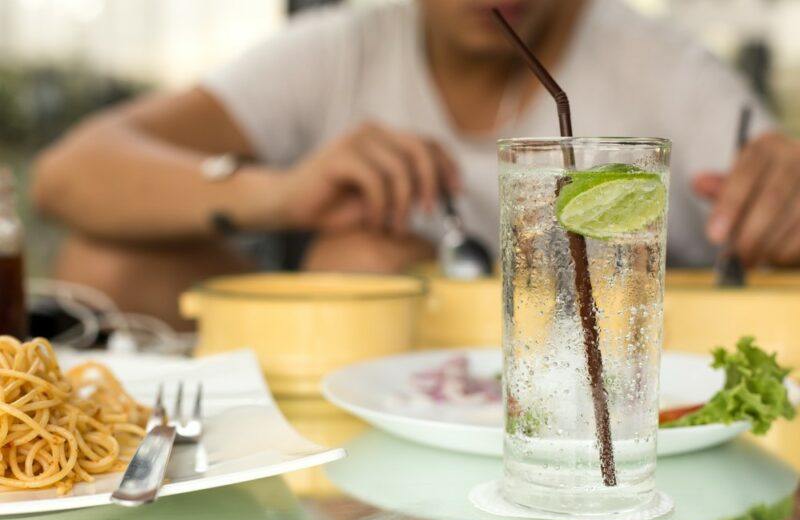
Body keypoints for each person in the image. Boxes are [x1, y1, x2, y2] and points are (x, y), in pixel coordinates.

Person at [32, 0, 800, 328]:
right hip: (362, 406)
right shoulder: (347, 46)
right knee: (109, 256)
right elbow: (68, 172)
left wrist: (784, 198)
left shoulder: (658, 66)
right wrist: (285, 194)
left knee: (362, 257)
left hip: (591, 410)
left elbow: (777, 198)